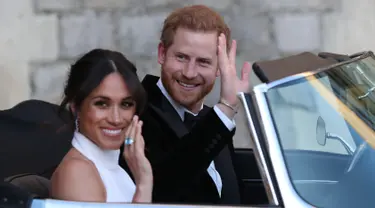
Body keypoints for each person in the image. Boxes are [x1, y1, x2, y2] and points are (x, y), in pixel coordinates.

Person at [119, 4, 251, 205]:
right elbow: (163, 191)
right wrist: (226, 109)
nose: (189, 73)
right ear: (162, 53)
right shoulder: (134, 112)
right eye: (181, 57)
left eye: (203, 62)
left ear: (220, 68)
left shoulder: (213, 120)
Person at [50, 49, 153, 203]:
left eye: (126, 104)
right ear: (75, 107)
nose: (116, 119)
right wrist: (144, 184)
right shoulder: (77, 172)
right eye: (102, 104)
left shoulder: (113, 168)